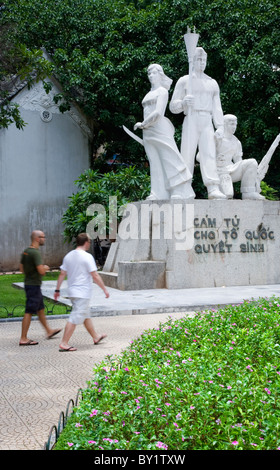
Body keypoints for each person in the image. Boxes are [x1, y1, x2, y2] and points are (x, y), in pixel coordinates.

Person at [169, 47, 226, 200]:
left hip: (207, 119)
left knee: (209, 153)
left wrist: (220, 126)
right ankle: (183, 187)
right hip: (191, 118)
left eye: (204, 60)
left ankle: (213, 187)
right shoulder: (184, 81)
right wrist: (183, 103)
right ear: (192, 61)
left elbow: (217, 107)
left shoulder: (212, 83)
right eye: (199, 60)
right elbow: (172, 106)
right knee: (187, 153)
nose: (202, 63)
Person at [134, 63, 195, 200]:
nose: (151, 76)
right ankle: (157, 193)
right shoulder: (149, 93)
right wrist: (145, 126)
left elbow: (158, 113)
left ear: (160, 75)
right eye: (149, 73)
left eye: (154, 73)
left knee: (169, 159)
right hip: (148, 131)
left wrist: (143, 123)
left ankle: (179, 190)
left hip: (159, 128)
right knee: (154, 162)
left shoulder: (162, 91)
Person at [54, 233, 110, 352]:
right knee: (75, 316)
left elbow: (62, 274)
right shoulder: (87, 256)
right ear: (86, 242)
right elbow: (94, 274)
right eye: (89, 242)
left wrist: (57, 289)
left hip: (73, 292)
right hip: (82, 292)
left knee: (85, 315)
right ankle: (64, 343)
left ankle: (95, 337)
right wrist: (104, 289)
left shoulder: (68, 256)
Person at [19, 230, 61, 346]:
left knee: (40, 309)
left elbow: (21, 269)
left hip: (30, 284)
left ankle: (48, 331)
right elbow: (41, 271)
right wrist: (46, 267)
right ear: (37, 239)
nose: (44, 239)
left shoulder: (26, 252)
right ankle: (23, 338)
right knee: (29, 311)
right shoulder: (35, 253)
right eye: (43, 237)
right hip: (34, 286)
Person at [215, 114, 265, 199]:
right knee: (228, 194)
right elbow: (200, 157)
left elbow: (239, 162)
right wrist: (216, 160)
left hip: (231, 169)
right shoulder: (216, 138)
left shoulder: (236, 142)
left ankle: (248, 192)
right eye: (231, 124)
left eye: (235, 124)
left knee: (252, 162)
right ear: (224, 124)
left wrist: (252, 175)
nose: (234, 127)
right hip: (218, 171)